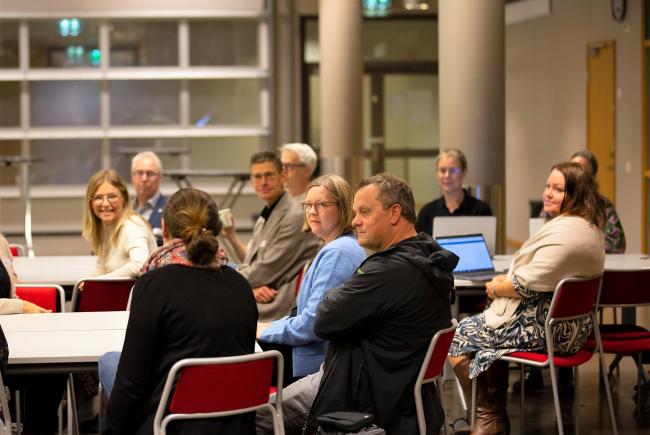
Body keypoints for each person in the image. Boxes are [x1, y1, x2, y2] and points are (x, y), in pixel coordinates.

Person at [256, 173, 458, 435]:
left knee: (253, 416)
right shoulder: (425, 256)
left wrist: (339, 294)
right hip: (397, 388)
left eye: (364, 211)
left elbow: (323, 318)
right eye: (355, 212)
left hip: (362, 390)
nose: (355, 221)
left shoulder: (387, 270)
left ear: (394, 213)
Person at [448, 161, 606, 434]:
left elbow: (525, 285)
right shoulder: (587, 228)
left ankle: (489, 420)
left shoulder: (568, 232)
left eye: (558, 189)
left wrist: (496, 288)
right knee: (486, 341)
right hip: (571, 328)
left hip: (547, 330)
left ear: (576, 194)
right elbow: (539, 278)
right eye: (547, 186)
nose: (548, 193)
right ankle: (492, 420)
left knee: (455, 335)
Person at [103, 188, 258, 435]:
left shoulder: (154, 285)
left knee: (110, 363)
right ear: (217, 229)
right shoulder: (240, 285)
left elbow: (132, 383)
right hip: (235, 422)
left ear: (164, 228)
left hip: (171, 423)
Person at [256, 174, 366, 381]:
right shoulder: (342, 246)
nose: (312, 211)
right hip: (317, 356)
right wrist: (269, 327)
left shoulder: (338, 253)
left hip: (314, 365)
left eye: (322, 204)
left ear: (343, 207)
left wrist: (264, 332)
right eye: (308, 204)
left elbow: (312, 324)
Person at [221, 151, 320, 322]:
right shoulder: (266, 215)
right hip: (260, 292)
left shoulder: (295, 216)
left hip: (276, 306)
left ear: (282, 175)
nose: (263, 182)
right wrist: (250, 288)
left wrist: (225, 280)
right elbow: (251, 263)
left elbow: (263, 272)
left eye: (268, 175)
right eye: (257, 177)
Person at [83, 169, 157, 277]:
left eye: (112, 196)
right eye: (98, 198)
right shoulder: (106, 227)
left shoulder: (133, 225)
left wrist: (104, 279)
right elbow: (102, 269)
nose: (105, 204)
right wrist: (90, 282)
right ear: (90, 203)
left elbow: (140, 265)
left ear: (124, 198)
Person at [415, 148, 492, 236]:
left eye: (453, 170)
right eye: (442, 170)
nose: (447, 175)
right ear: (437, 173)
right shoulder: (427, 212)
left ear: (464, 172)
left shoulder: (481, 210)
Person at [131, 151, 166, 245]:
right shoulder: (123, 209)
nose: (144, 179)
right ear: (132, 176)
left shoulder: (170, 210)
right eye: (139, 173)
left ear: (160, 177)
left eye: (150, 173)